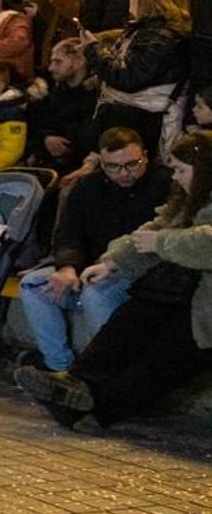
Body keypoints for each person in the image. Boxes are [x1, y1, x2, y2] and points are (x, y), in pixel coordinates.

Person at [17, 132, 212, 428]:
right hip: (180, 293)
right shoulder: (188, 200)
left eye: (182, 170)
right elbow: (153, 230)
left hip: (203, 308)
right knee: (129, 321)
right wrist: (113, 262)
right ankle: (74, 382)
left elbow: (198, 242)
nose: (176, 177)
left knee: (163, 356)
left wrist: (162, 242)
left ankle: (98, 410)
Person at [18, 127, 171, 373]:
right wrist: (67, 266)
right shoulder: (88, 187)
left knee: (95, 291)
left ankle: (107, 370)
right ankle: (60, 367)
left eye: (132, 164)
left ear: (145, 155)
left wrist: (109, 265)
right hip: (90, 265)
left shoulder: (165, 183)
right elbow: (68, 232)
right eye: (113, 167)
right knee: (33, 286)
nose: (123, 173)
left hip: (137, 271)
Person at [86, 0, 189, 155]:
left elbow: (128, 77)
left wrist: (94, 50)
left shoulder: (160, 36)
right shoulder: (148, 32)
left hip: (142, 126)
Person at [24, 38, 98, 174]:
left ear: (79, 62)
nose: (51, 67)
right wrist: (46, 138)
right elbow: (41, 126)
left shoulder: (95, 97)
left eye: (58, 62)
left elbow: (87, 140)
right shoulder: (57, 93)